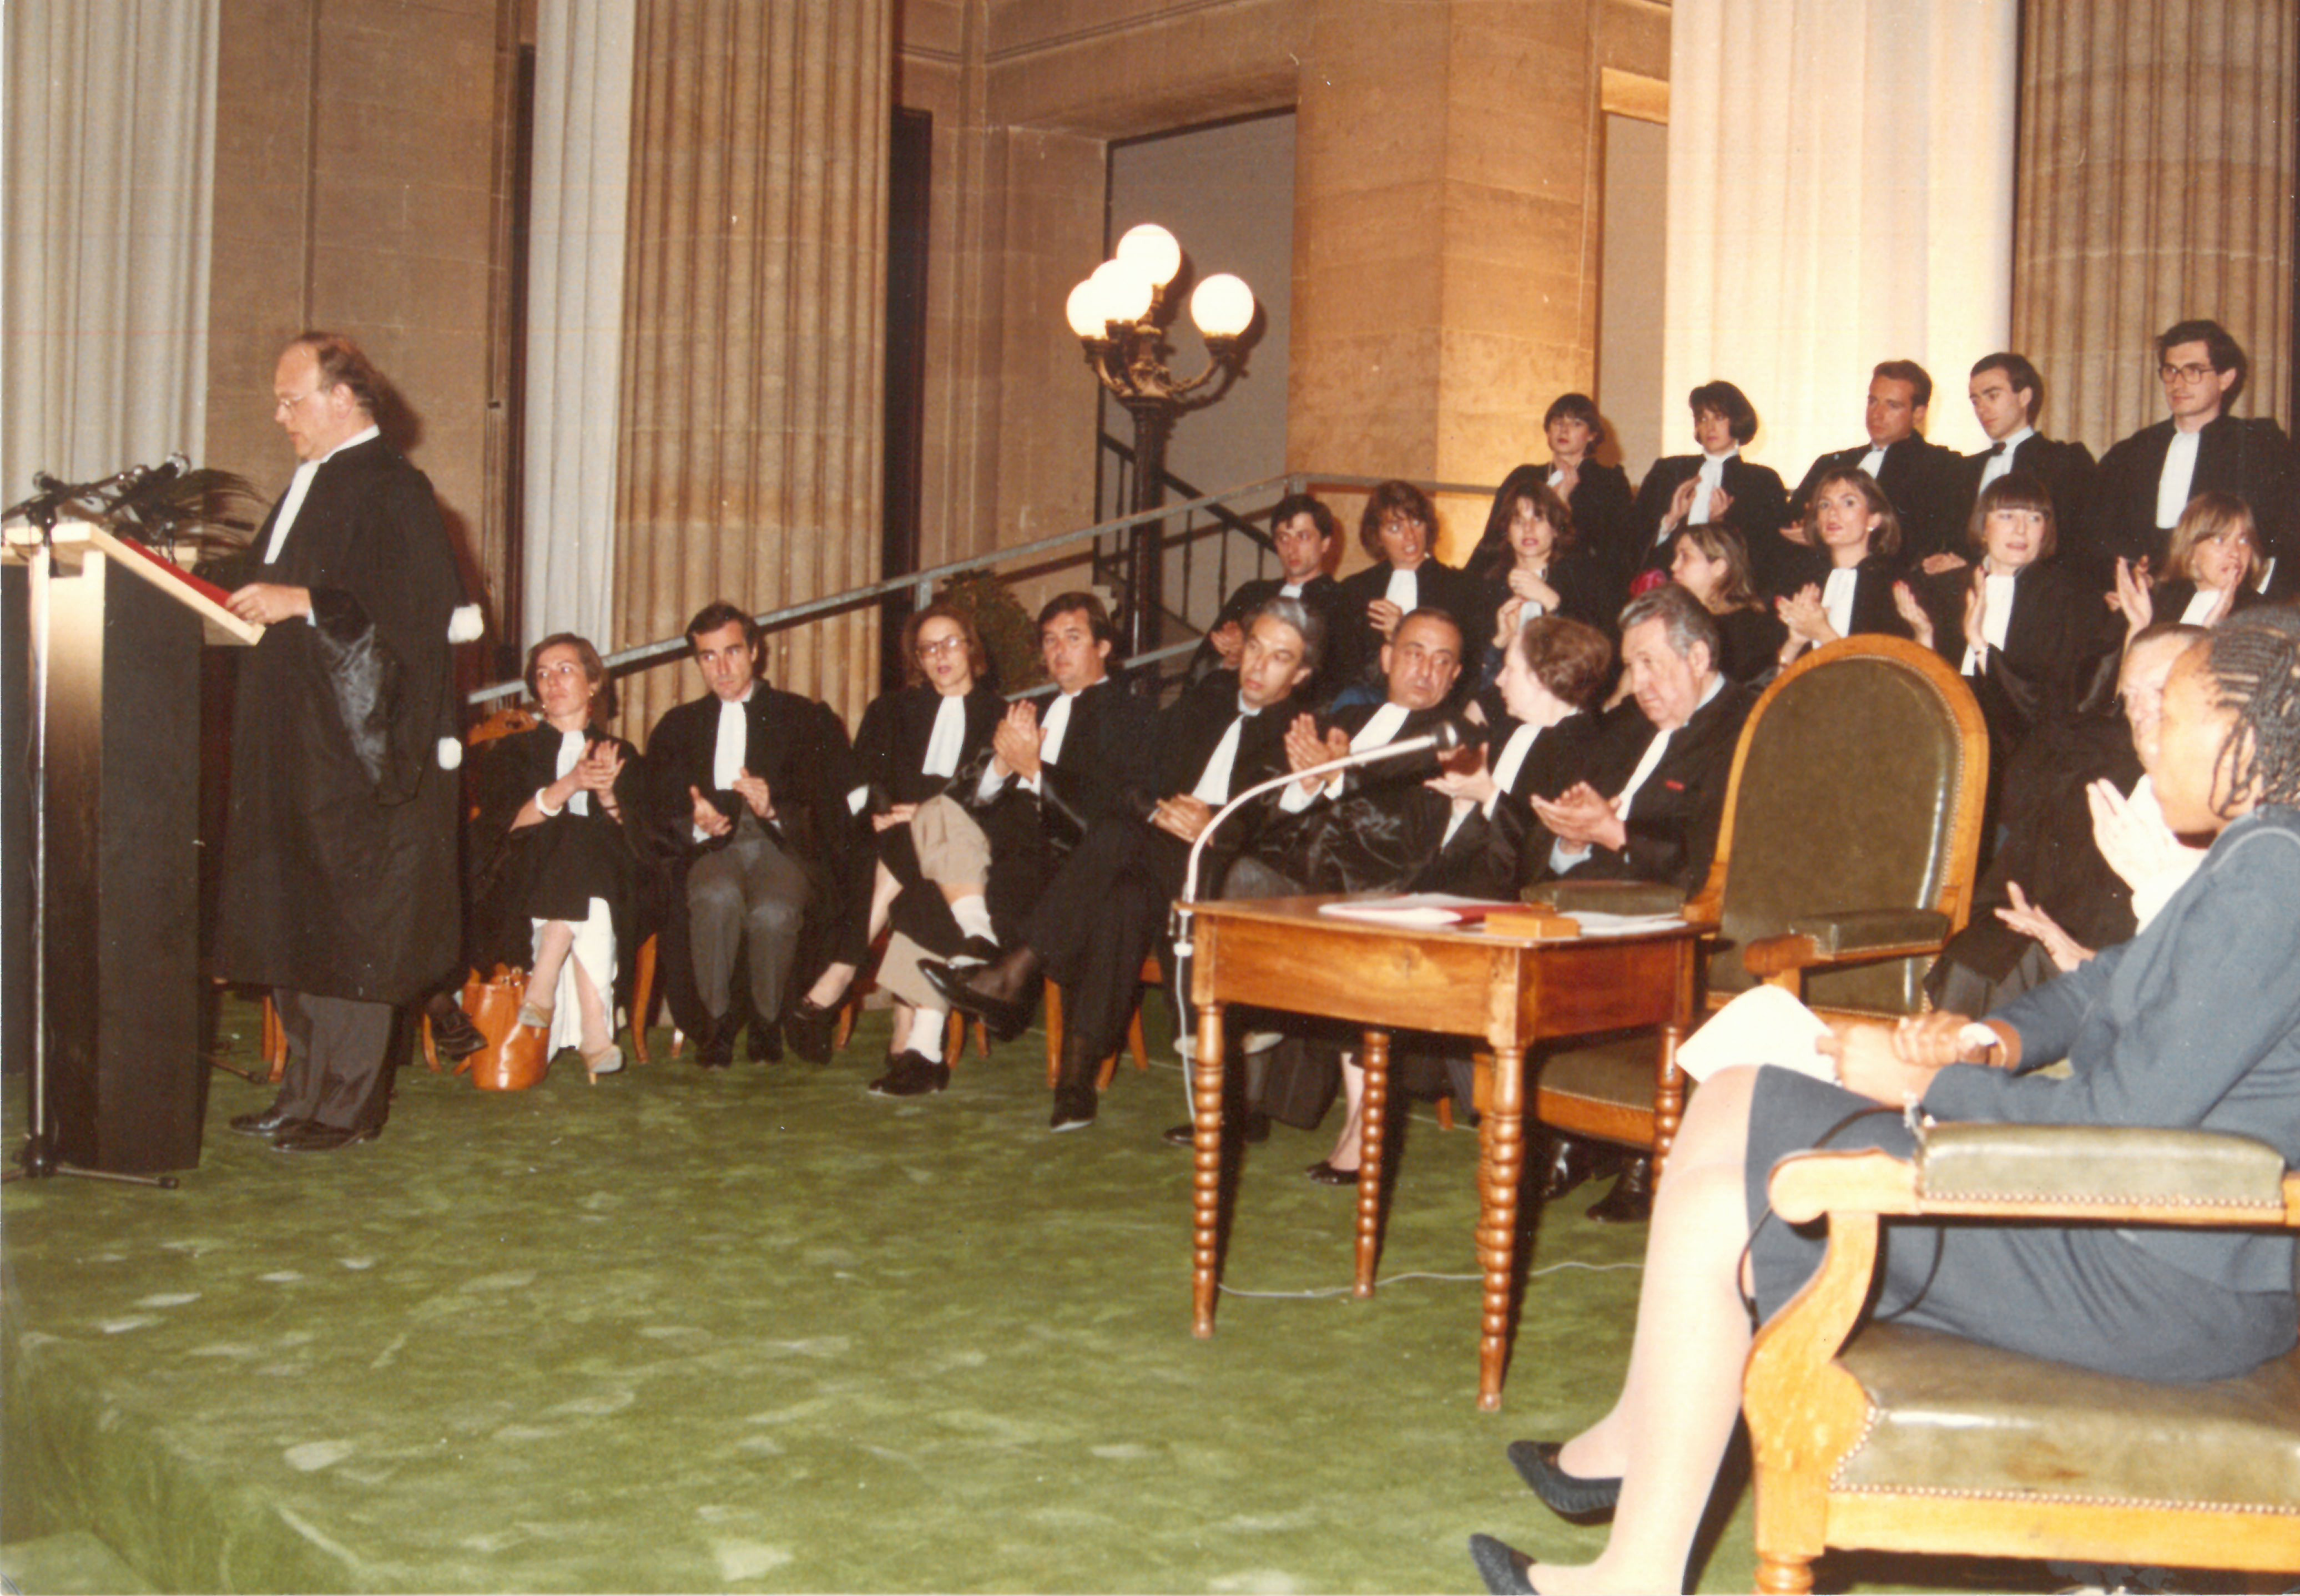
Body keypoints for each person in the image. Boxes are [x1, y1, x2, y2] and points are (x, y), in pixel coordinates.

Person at [1468, 609, 2300, 1596]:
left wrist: (1922, 1082)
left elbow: (2122, 1123)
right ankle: (1634, 1476)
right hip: (2140, 1234)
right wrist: (1991, 1036)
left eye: (2176, 710)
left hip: (2157, 1274)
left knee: (1726, 1188)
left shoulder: (2272, 875)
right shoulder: (2258, 854)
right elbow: (2105, 983)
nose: (2145, 734)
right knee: (1739, 1087)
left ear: (2250, 730)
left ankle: (1635, 1568)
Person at [215, 332, 471, 1154]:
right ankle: (301, 1092)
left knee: (351, 923)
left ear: (343, 397)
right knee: (293, 916)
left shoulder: (395, 488)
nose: (279, 413)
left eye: (292, 399)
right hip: (289, 742)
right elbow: (260, 580)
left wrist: (306, 603)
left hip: (354, 756)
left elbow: (419, 612)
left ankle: (349, 1104)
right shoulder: (307, 484)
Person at [927, 600, 1318, 1130]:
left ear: (1301, 673)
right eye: (1253, 647)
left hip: (1222, 872)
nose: (1256, 664)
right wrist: (1159, 811)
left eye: (1279, 657)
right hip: (1154, 858)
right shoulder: (1205, 699)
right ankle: (1075, 1085)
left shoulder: (1304, 732)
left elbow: (1277, 818)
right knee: (1122, 902)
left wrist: (1213, 820)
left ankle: (1015, 971)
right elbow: (1135, 780)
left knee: (1117, 835)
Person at [1525, 585, 1755, 1219]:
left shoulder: (1745, 727)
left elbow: (1711, 864)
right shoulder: (1629, 727)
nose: (1639, 681)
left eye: (1653, 662)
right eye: (1632, 665)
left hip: (1688, 915)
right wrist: (1572, 838)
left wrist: (1615, 834)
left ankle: (1634, 1152)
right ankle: (1571, 1134)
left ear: (1700, 656)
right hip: (1597, 897)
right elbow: (1587, 823)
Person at [1925, 623, 2205, 1016]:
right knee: (1984, 958)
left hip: (2161, 998)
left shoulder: (2243, 810)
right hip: (2065, 978)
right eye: (2132, 694)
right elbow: (2004, 898)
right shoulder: (2085, 779)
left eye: (2159, 690)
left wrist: (2088, 961)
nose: (2141, 710)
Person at [642, 601, 856, 1069]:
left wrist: (775, 809)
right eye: (708, 656)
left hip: (784, 847)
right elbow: (654, 810)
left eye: (732, 652)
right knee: (715, 895)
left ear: (755, 651)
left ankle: (767, 1024)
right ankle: (715, 1029)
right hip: (711, 851)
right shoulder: (678, 727)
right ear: (697, 661)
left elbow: (833, 804)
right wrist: (694, 824)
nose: (722, 667)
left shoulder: (803, 717)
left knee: (775, 911)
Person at [807, 604, 1007, 1095]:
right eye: (928, 647)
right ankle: (919, 1044)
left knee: (922, 849)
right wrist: (884, 809)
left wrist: (924, 812)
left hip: (970, 842)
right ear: (917, 658)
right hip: (895, 835)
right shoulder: (892, 710)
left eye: (951, 642)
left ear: (972, 646)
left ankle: (843, 969)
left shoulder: (1000, 714)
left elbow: (994, 792)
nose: (940, 655)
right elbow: (865, 774)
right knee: (912, 859)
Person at [1893, 474, 2120, 838]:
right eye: (2007, 516)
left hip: (2022, 761)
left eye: (2034, 518)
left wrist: (1979, 641)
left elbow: (2045, 704)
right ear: (1983, 527)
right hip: (1943, 748)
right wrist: (1923, 635)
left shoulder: (2070, 597)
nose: (2021, 530)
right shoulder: (1940, 589)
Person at [466, 634, 643, 1083]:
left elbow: (639, 839)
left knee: (588, 849)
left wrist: (606, 794)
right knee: (573, 837)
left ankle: (550, 965)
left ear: (593, 684)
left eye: (565, 669)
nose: (552, 682)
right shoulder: (510, 752)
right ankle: (595, 1030)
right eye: (542, 674)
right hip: (523, 876)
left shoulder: (622, 753)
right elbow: (504, 826)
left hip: (611, 878)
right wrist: (569, 785)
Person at [2086, 319, 2298, 589]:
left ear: (2226, 378)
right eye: (2170, 371)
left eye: (2194, 370)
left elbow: (2279, 535)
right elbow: (2101, 537)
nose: (2178, 383)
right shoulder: (2132, 452)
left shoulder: (2260, 447)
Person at [1783, 360, 1967, 567]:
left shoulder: (1943, 467)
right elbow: (1791, 522)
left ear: (1918, 414)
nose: (1877, 414)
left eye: (1892, 405)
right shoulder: (1830, 464)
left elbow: (1930, 540)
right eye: (1873, 402)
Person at [1469, 396, 1638, 615]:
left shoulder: (1608, 481)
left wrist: (1563, 509)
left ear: (1592, 435)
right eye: (1558, 422)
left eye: (1576, 423)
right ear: (1548, 430)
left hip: (1574, 588)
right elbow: (1493, 537)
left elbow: (1611, 553)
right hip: (1512, 578)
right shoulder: (1523, 476)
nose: (1564, 430)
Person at [1329, 480, 1489, 704]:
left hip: (1436, 704)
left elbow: (1469, 667)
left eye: (1416, 522)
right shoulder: (1356, 589)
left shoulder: (1462, 587)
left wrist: (1401, 633)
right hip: (1366, 705)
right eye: (1395, 528)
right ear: (1378, 536)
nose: (1410, 536)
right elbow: (1343, 669)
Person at [1628, 380, 1792, 598]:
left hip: (1729, 597)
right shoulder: (1668, 471)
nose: (1710, 427)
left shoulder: (1762, 481)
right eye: (1702, 419)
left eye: (1719, 417)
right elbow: (1633, 541)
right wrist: (1670, 520)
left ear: (1737, 421)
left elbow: (1769, 558)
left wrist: (1720, 528)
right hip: (1667, 591)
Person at [1187, 493, 1348, 703]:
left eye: (1304, 537)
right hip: (1228, 705)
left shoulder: (1341, 602)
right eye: (1284, 538)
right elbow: (1199, 671)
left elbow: (1331, 682)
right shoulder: (1251, 594)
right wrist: (1232, 659)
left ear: (1325, 543)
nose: (1292, 548)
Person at [1950, 352, 2096, 565]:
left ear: (2024, 397)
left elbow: (2077, 543)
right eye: (1976, 401)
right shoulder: (1966, 469)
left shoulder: (2065, 461)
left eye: (1992, 396)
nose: (1982, 409)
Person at [1467, 478, 1605, 688]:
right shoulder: (1489, 585)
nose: (1528, 529)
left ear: (1556, 529)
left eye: (1538, 519)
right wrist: (1499, 641)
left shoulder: (1581, 578)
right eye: (1518, 521)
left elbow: (1593, 661)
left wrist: (1552, 602)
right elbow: (1472, 673)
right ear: (1508, 533)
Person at [1773, 468, 1913, 663]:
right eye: (1824, 505)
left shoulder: (1892, 586)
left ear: (1874, 519)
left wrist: (1822, 633)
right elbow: (1776, 681)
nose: (1833, 513)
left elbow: (1883, 679)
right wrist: (1793, 644)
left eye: (1848, 503)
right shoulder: (1800, 579)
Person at [2110, 490, 2272, 640]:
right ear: (2191, 551)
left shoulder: (2263, 616)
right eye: (2220, 540)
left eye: (2244, 540)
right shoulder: (2160, 600)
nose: (2235, 553)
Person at [1666, 523, 1786, 684]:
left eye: (1685, 557)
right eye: (1676, 557)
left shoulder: (1749, 628)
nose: (1673, 566)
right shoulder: (1677, 615)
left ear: (1719, 567)